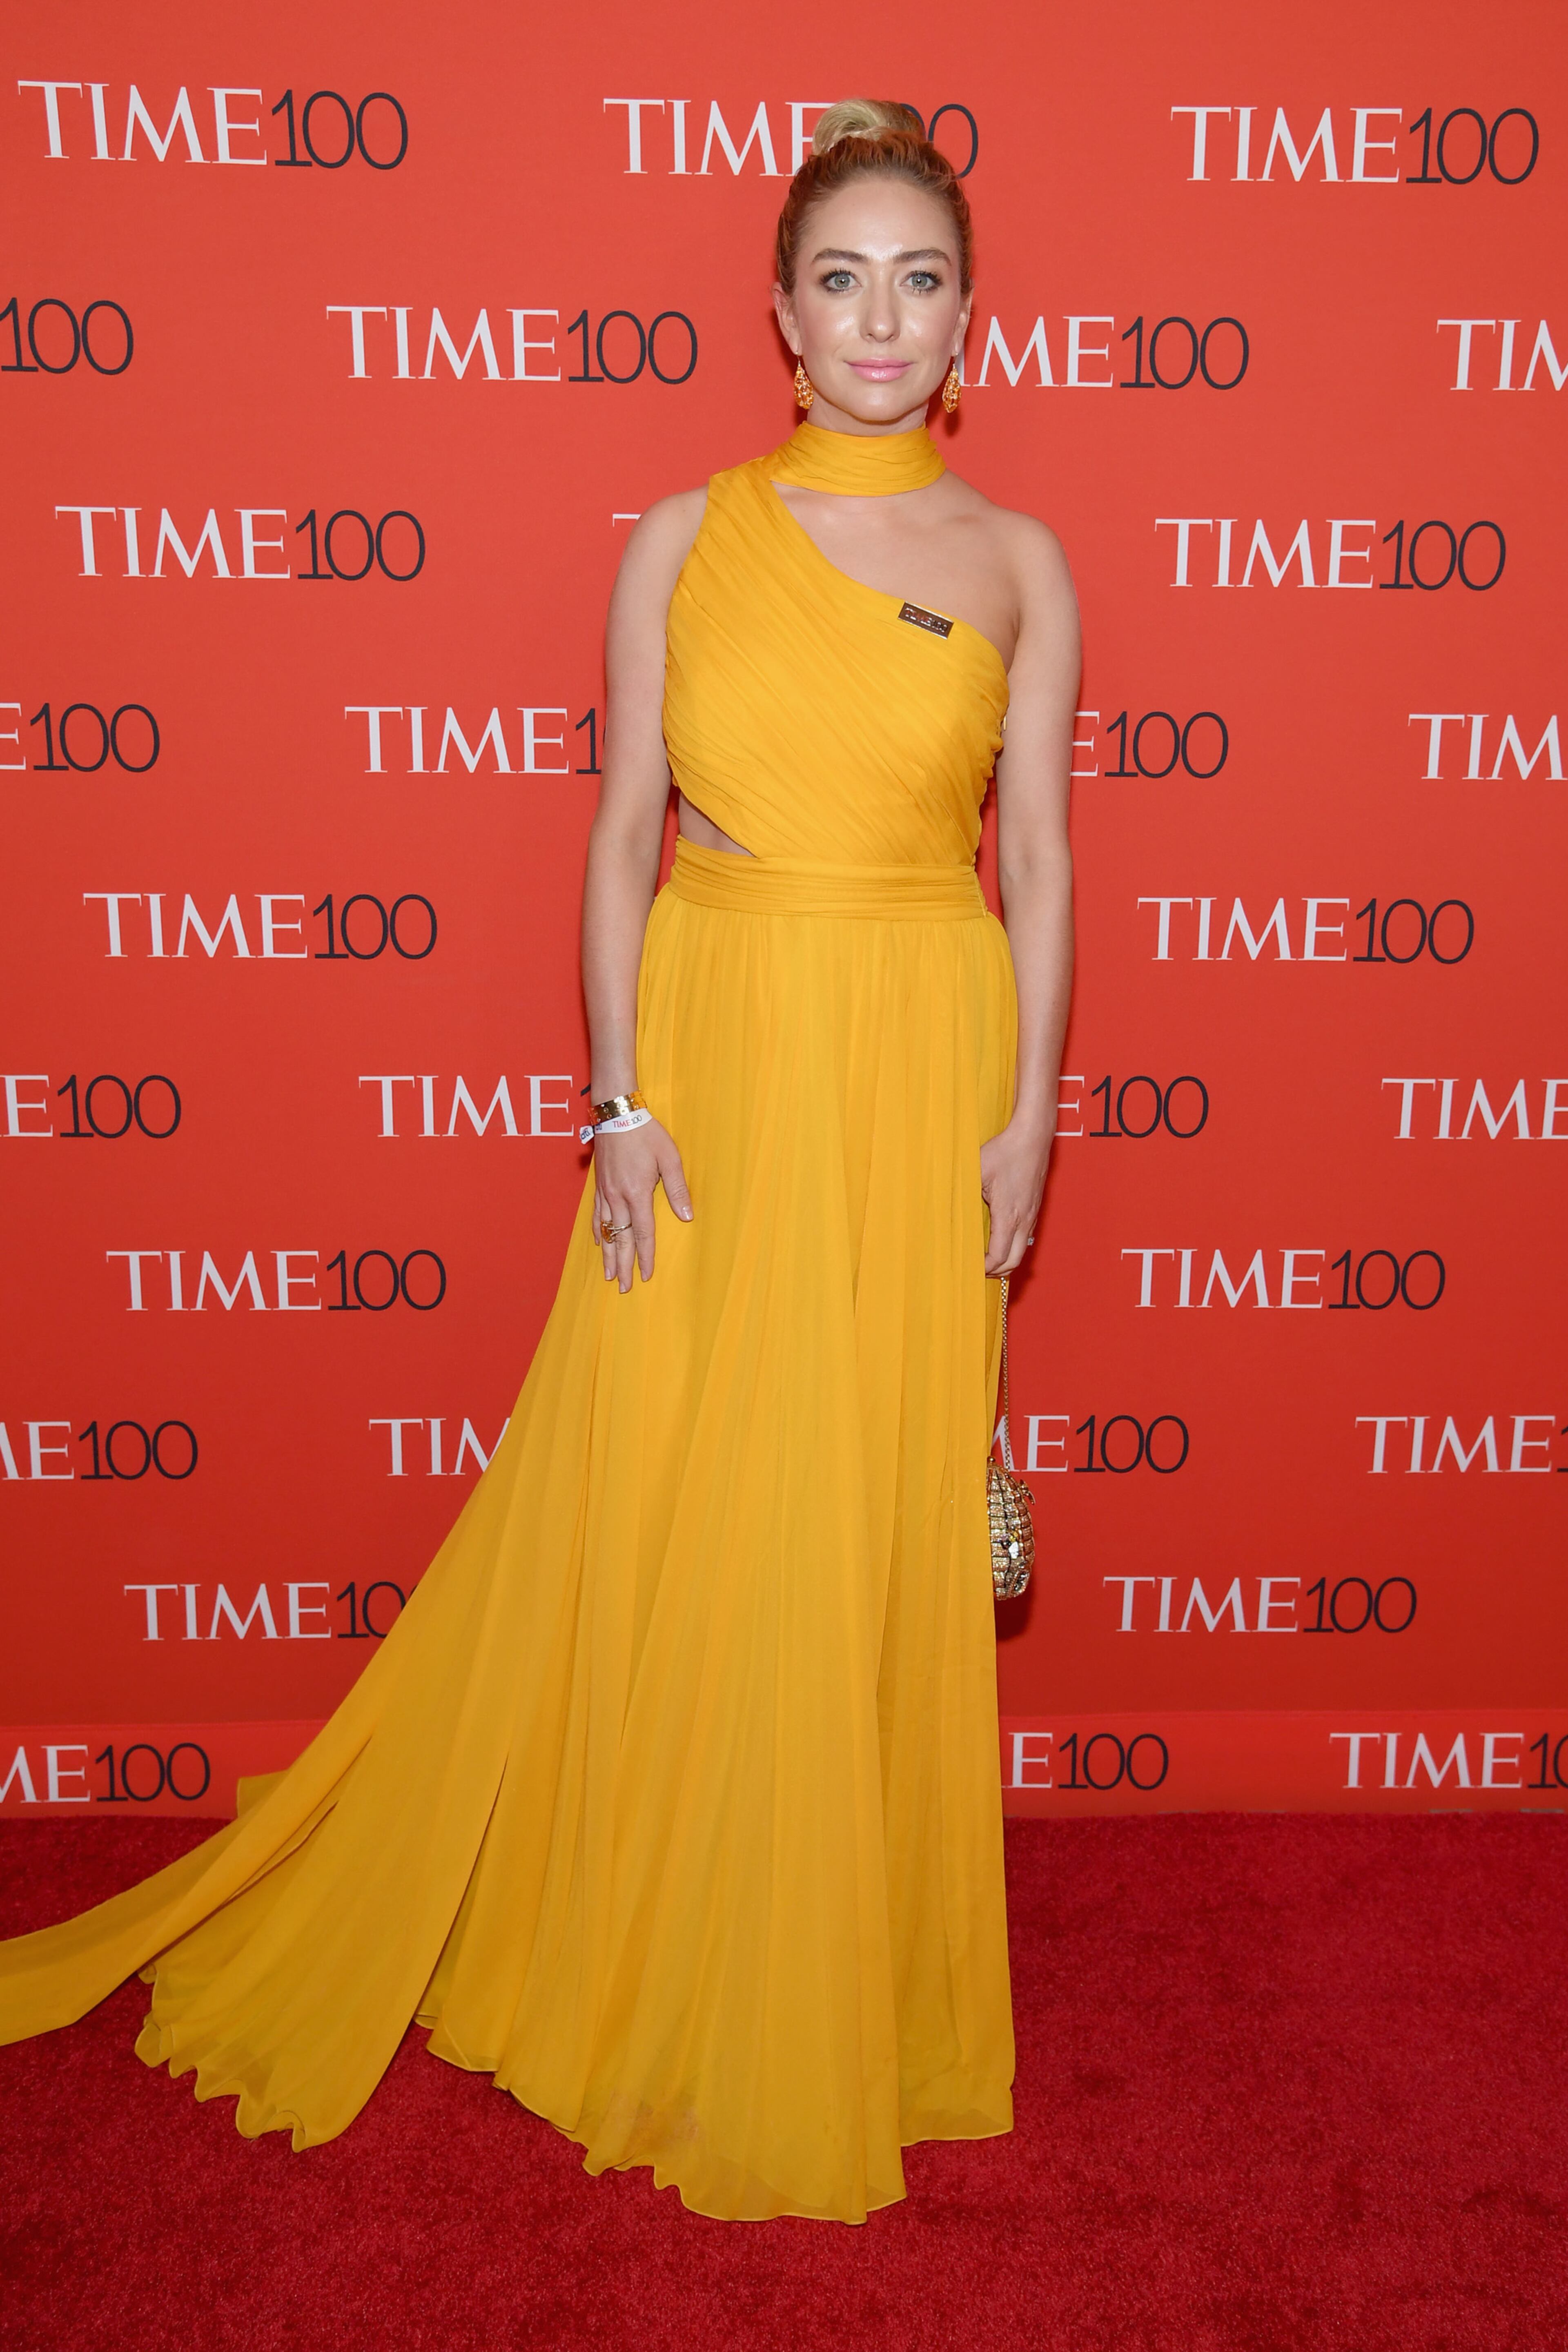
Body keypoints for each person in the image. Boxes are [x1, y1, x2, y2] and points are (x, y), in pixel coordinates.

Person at [0, 99, 1079, 2224]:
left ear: (971, 325)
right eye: (842, 278)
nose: (881, 315)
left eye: (921, 278)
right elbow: (616, 837)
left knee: (858, 1514)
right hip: (720, 1049)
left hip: (921, 1056)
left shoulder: (1024, 563)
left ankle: (833, 1961)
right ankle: (652, 1932)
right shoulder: (685, 538)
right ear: (782, 315)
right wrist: (616, 1100)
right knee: (681, 1496)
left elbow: (1037, 857)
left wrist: (1030, 1108)